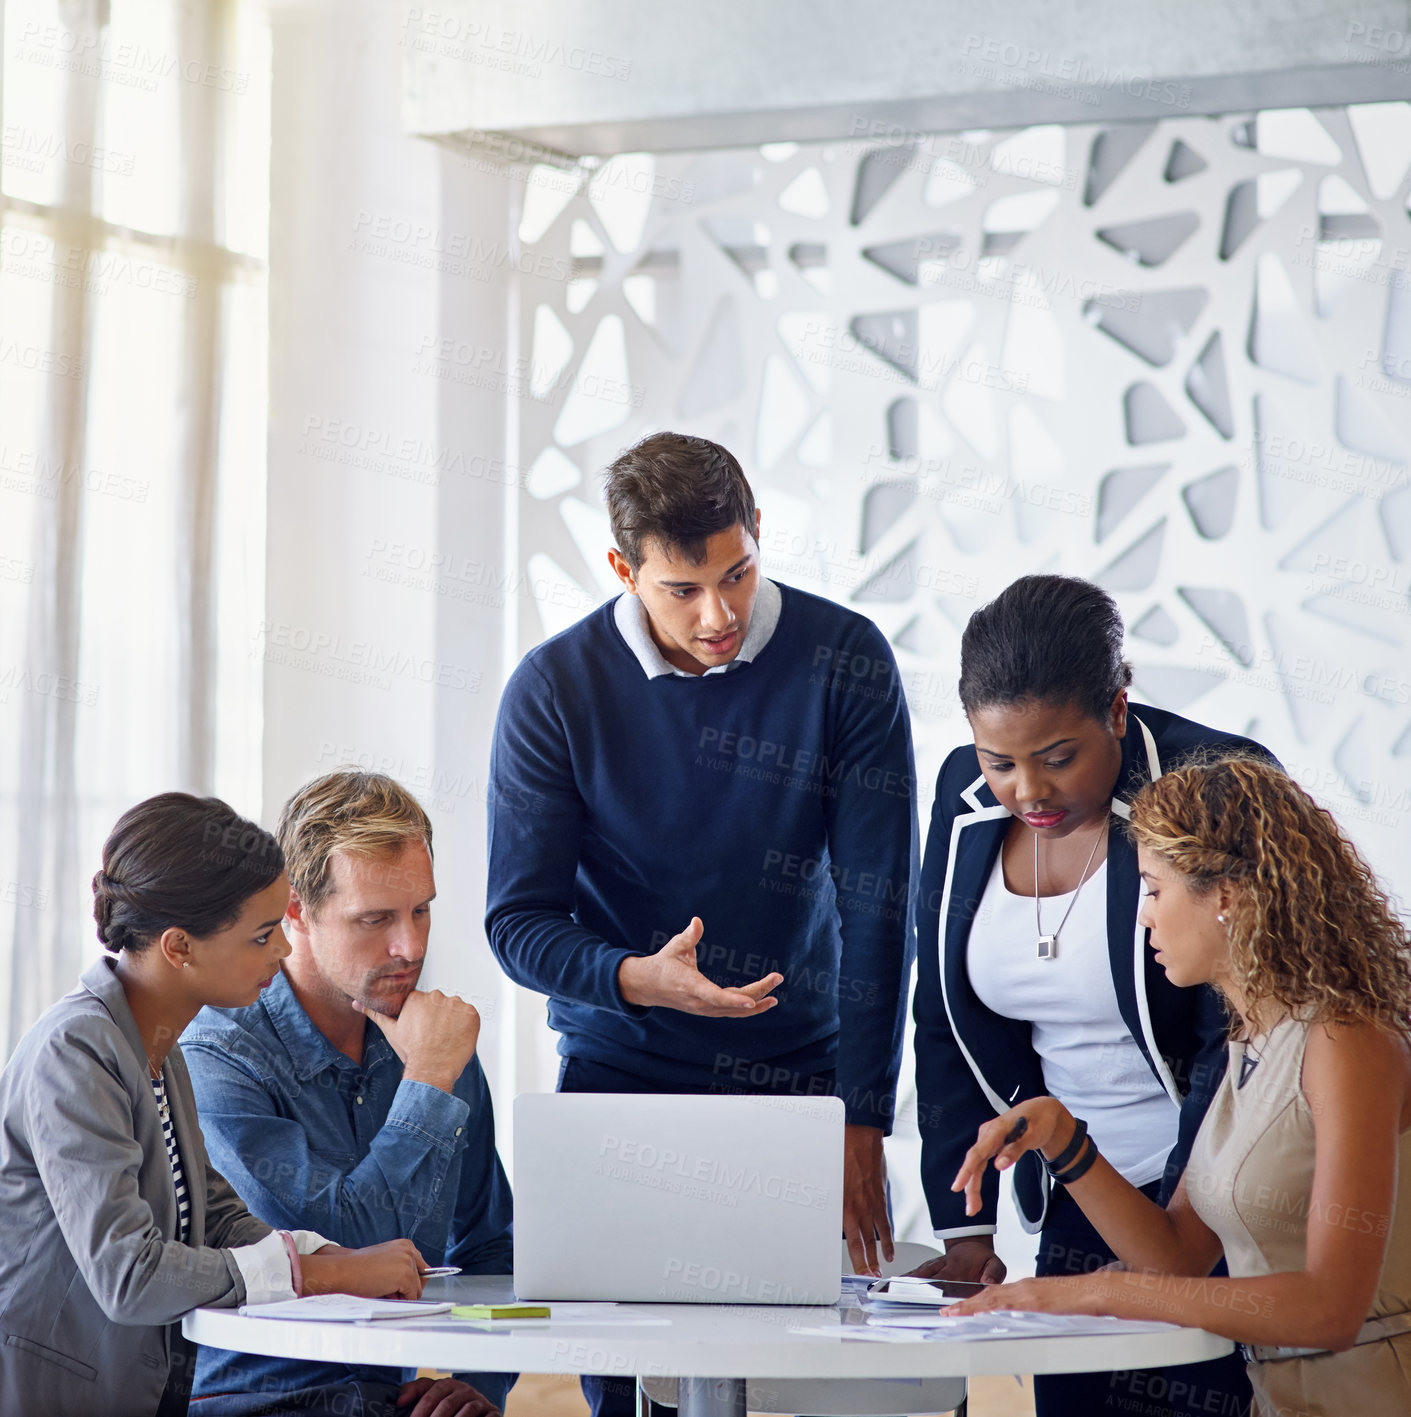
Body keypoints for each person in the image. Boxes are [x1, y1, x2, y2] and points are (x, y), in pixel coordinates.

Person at [486, 432, 916, 1415]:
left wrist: (861, 1117)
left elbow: (878, 907)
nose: (717, 614)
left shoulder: (844, 659)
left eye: (737, 574)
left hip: (797, 1080)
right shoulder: (554, 690)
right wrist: (639, 976)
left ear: (758, 532)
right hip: (617, 1078)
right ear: (623, 570)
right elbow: (518, 921)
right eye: (681, 589)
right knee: (631, 1393)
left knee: (805, 1390)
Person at [947, 756, 1411, 1417]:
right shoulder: (1247, 1039)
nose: (1142, 917)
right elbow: (1177, 1254)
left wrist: (1096, 1293)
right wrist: (1061, 1136)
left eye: (1154, 889)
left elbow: (1329, 1308)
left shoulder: (1344, 1043)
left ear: (1223, 895)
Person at [911, 574, 1265, 1417]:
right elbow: (945, 1017)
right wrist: (967, 1230)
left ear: (1116, 706)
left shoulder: (1214, 786)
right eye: (1000, 760)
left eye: (1056, 756)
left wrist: (1177, 1230)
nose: (1025, 789)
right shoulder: (963, 796)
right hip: (1073, 1193)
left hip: (1211, 1201)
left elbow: (1239, 1032)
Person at [0, 793, 430, 1417]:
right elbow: (131, 1277)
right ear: (179, 948)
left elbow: (216, 1215)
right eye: (262, 935)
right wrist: (324, 1276)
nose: (283, 952)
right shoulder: (76, 1050)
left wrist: (333, 1256)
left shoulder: (157, 1043)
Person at [183, 771, 513, 1417]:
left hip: (394, 1399)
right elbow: (342, 1250)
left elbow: (488, 1243)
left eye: (421, 909)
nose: (411, 946)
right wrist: (428, 1080)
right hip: (255, 1400)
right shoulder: (218, 1055)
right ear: (297, 910)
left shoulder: (433, 1042)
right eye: (375, 919)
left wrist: (479, 1381)